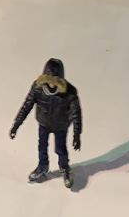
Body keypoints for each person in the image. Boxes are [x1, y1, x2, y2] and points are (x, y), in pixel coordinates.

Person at [8, 58, 83, 188]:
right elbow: (27, 106)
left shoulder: (69, 92)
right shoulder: (37, 87)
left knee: (60, 148)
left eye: (55, 82)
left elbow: (76, 114)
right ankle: (43, 166)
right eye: (48, 81)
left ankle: (64, 167)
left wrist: (77, 134)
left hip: (60, 125)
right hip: (44, 123)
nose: (51, 85)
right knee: (42, 146)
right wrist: (16, 124)